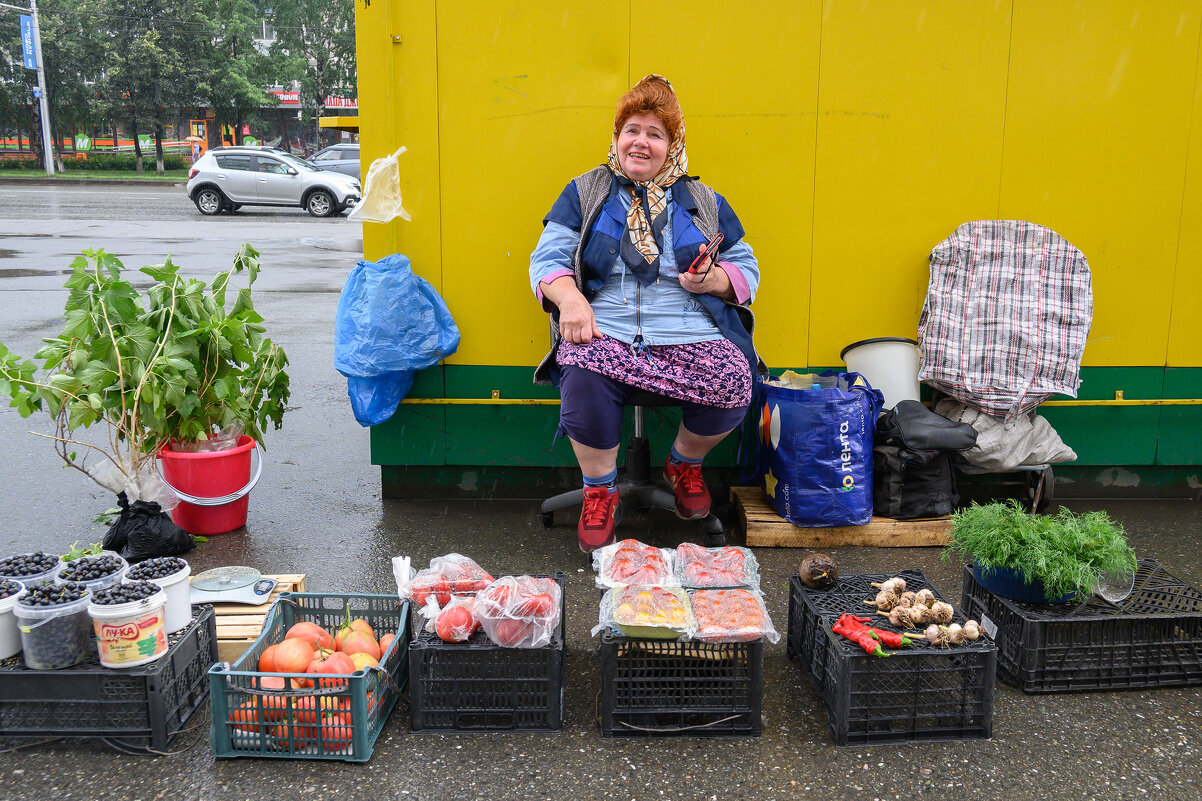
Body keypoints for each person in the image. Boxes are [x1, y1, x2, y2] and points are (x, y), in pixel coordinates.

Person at [529, 75, 765, 553]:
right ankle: (600, 491)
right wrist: (571, 300)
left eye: (655, 134)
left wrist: (716, 279)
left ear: (672, 145)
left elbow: (745, 266)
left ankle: (683, 463)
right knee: (580, 364)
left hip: (688, 331)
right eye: (631, 129)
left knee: (734, 376)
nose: (641, 142)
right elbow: (547, 258)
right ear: (616, 138)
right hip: (608, 329)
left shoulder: (703, 202)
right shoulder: (586, 191)